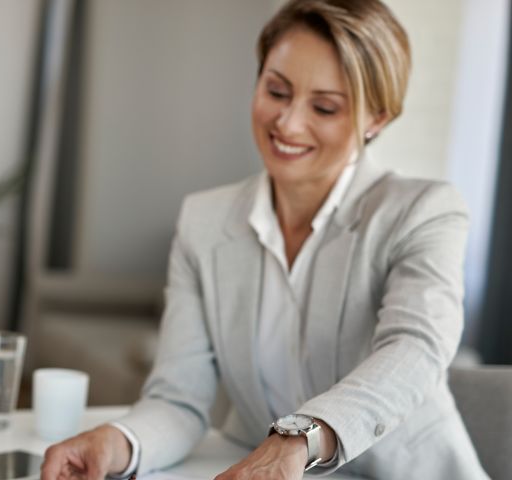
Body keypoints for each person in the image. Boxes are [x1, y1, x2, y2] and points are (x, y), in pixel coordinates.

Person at [40, 1, 489, 479]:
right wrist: (118, 442)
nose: (288, 124)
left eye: (324, 107)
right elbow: (178, 400)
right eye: (277, 90)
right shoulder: (204, 221)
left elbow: (415, 348)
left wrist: (301, 439)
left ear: (376, 118)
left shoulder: (421, 211)